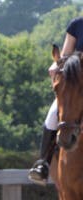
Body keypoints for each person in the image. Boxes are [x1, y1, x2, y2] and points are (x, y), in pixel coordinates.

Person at [28, 17, 83, 185]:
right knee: (53, 115)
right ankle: (43, 164)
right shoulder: (77, 25)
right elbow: (65, 56)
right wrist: (57, 65)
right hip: (77, 87)